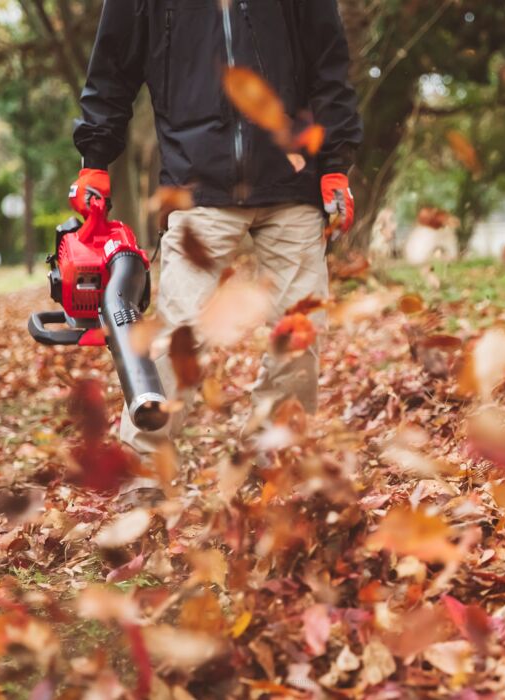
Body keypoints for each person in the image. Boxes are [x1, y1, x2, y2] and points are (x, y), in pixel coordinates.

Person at [69, 0, 363, 455]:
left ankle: (273, 451)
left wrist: (335, 164)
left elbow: (328, 62)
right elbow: (112, 68)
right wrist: (95, 159)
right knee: (178, 334)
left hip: (293, 181)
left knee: (302, 330)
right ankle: (144, 464)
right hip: (197, 183)